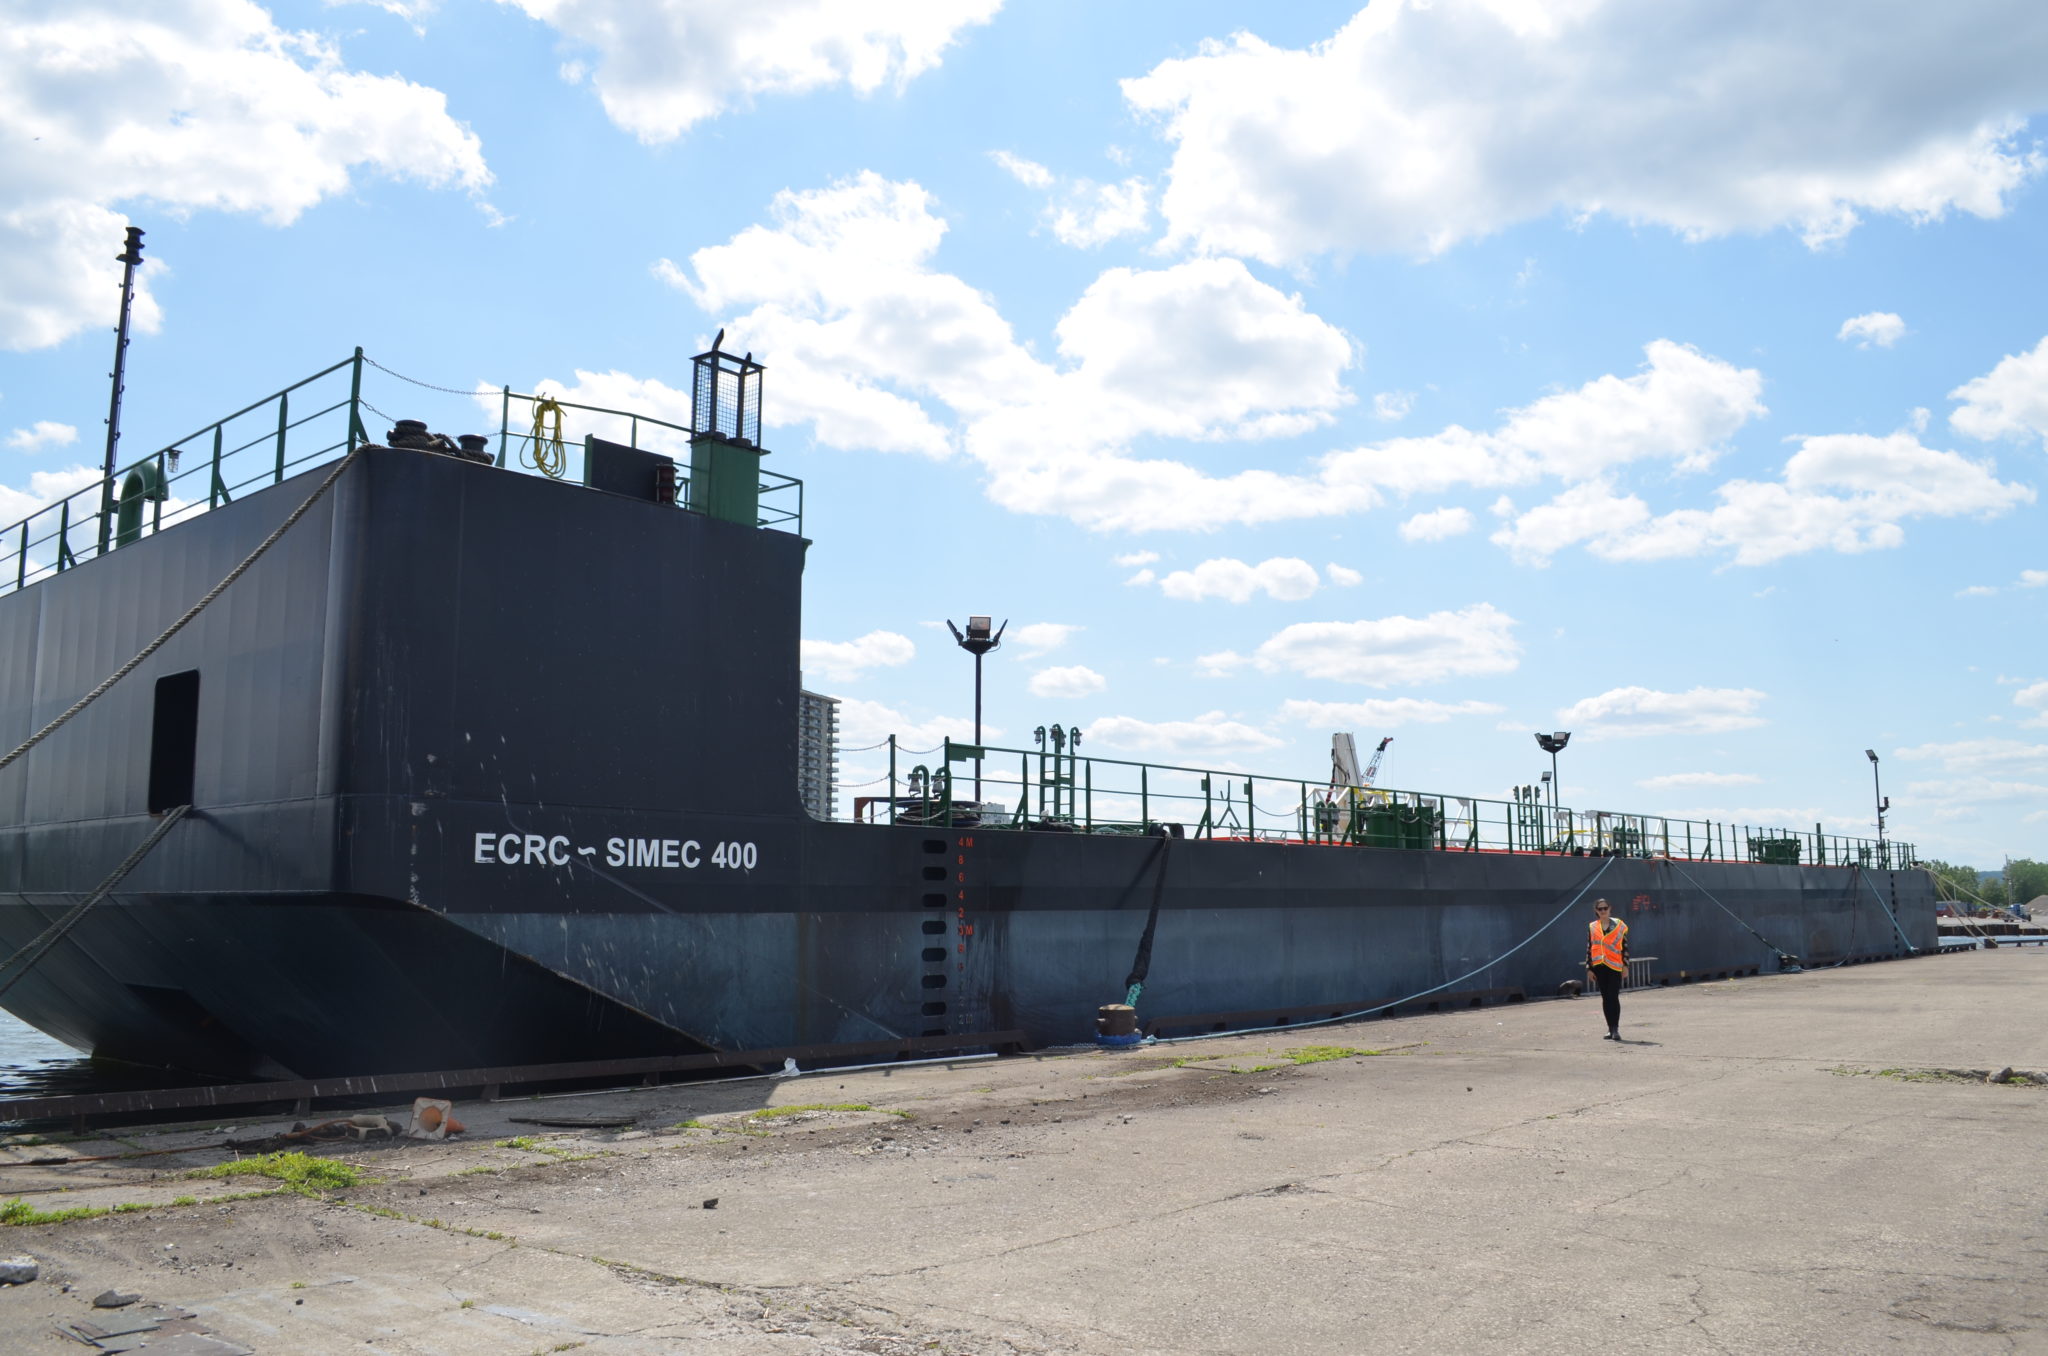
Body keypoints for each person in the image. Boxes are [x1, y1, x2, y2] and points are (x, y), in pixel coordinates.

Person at [1587, 897, 1629, 1040]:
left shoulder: (1619, 925)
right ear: (1596, 911)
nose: (1603, 911)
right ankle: (1610, 1028)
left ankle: (1615, 1029)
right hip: (1599, 967)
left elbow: (1625, 947)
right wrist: (1589, 969)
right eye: (1600, 909)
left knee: (1613, 997)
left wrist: (1625, 965)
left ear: (1610, 908)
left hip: (1615, 966)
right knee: (1605, 998)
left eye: (1605, 908)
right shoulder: (1592, 926)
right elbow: (1589, 948)